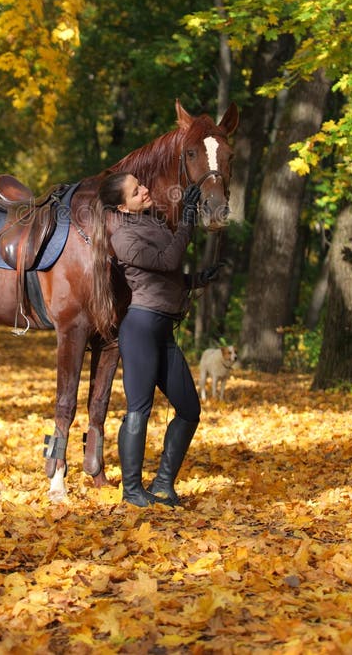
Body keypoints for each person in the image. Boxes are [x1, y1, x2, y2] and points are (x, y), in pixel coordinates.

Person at [90, 172, 219, 507]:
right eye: (136, 191)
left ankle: (163, 484)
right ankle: (133, 491)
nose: (144, 190)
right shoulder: (123, 238)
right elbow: (168, 260)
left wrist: (195, 280)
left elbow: (167, 276)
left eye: (141, 185)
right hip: (142, 329)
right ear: (123, 206)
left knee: (189, 409)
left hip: (162, 330)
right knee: (139, 410)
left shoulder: (155, 224)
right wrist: (188, 220)